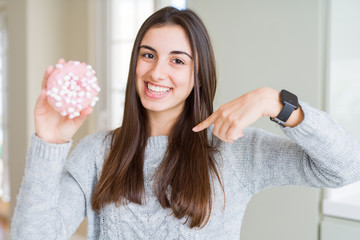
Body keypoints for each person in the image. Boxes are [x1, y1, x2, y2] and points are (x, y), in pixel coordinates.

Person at [11, 6, 360, 240]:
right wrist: (50, 143)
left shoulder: (232, 149)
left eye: (177, 60)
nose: (156, 71)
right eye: (148, 55)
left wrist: (276, 102)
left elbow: (345, 167)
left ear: (198, 74)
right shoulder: (96, 153)